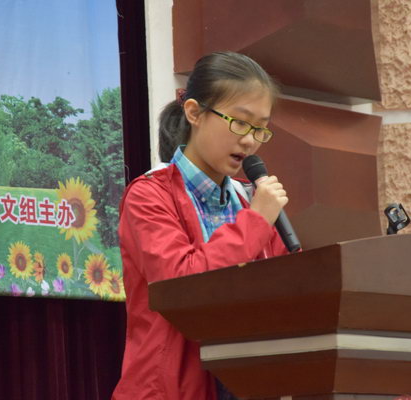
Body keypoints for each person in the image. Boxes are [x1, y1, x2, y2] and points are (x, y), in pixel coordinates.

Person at [112, 51, 289, 400]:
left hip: (249, 384)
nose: (250, 140)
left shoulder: (249, 200)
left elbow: (286, 293)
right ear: (194, 112)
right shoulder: (150, 195)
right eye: (240, 122)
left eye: (260, 128)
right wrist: (255, 222)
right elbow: (182, 282)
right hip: (173, 389)